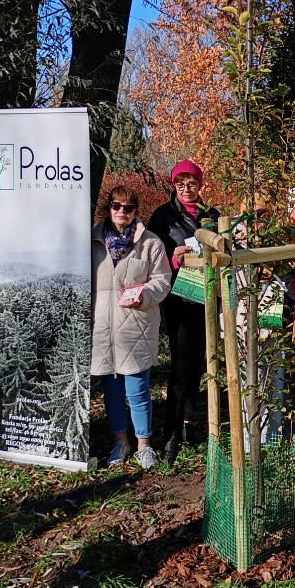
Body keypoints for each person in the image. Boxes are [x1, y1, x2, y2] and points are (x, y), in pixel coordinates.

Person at [91, 185, 172, 469]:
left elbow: (162, 281)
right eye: (116, 206)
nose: (121, 212)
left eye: (128, 207)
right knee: (112, 392)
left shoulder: (151, 244)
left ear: (136, 211)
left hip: (136, 328)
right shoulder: (92, 243)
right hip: (102, 331)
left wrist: (144, 295)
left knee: (138, 390)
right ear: (108, 208)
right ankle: (120, 442)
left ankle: (144, 445)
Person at [148, 160, 219, 464]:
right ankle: (171, 432)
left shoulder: (212, 216)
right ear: (173, 186)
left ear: (200, 185)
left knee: (199, 365)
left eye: (192, 183)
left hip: (208, 299)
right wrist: (173, 257)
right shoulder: (163, 217)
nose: (187, 189)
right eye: (181, 184)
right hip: (179, 299)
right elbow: (151, 258)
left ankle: (190, 425)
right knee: (180, 368)